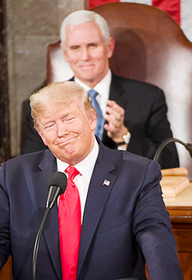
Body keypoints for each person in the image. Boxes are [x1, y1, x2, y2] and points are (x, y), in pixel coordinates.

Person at [0, 81, 184, 280]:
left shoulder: (138, 174)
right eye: (49, 125)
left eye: (68, 119)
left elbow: (155, 238)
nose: (61, 131)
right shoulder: (15, 175)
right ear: (41, 135)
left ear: (91, 119)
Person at [22, 10, 179, 170]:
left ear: (109, 47)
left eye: (92, 46)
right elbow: (32, 167)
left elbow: (170, 163)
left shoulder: (148, 97)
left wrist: (123, 136)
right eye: (75, 48)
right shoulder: (43, 105)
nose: (85, 57)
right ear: (65, 53)